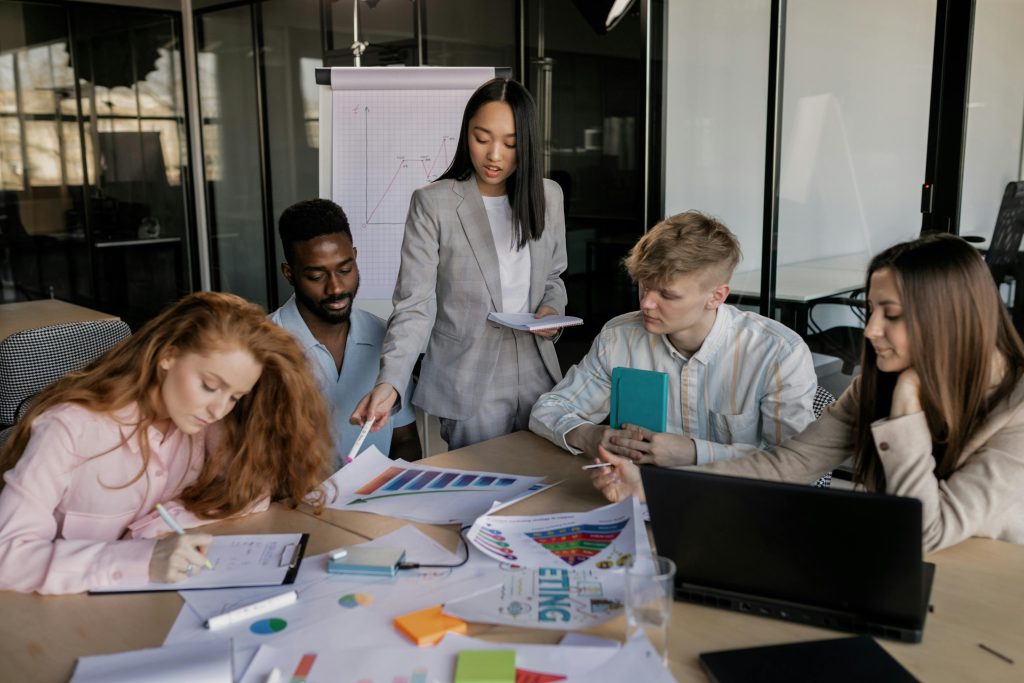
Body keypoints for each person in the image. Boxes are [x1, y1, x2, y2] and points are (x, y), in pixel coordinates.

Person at [591, 233, 1024, 552]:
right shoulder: (881, 380)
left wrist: (906, 414)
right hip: (893, 562)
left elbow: (927, 531)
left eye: (891, 315)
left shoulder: (1016, 405)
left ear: (948, 319)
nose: (871, 331)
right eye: (872, 310)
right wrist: (654, 485)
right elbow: (790, 464)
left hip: (989, 578)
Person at [0, 292, 332, 594]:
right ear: (169, 356)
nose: (218, 409)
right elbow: (7, 555)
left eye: (235, 396)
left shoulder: (204, 425)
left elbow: (249, 493)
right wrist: (139, 558)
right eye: (209, 385)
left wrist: (151, 528)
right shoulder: (71, 428)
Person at [351, 78, 568, 450]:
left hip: (537, 370)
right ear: (466, 133)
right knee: (480, 490)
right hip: (469, 378)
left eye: (510, 143)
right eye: (482, 138)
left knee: (544, 483)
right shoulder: (433, 203)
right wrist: (389, 383)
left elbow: (553, 275)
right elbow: (413, 305)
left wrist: (552, 310)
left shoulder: (547, 196)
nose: (494, 155)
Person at [530, 211, 816, 465]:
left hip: (739, 504)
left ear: (716, 296)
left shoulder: (778, 353)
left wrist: (693, 453)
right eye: (644, 286)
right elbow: (549, 409)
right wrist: (590, 435)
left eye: (667, 294)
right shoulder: (620, 337)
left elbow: (799, 463)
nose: (646, 304)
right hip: (638, 496)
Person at [270, 198, 421, 469]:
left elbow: (405, 440)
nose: (336, 288)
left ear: (355, 256)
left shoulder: (387, 338)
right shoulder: (262, 348)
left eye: (345, 269)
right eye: (316, 277)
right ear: (289, 273)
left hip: (371, 504)